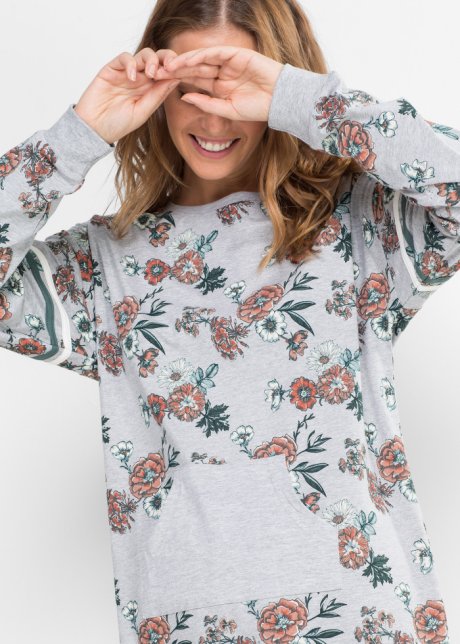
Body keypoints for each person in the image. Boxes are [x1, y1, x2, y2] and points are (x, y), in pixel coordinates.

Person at [1, 0, 458, 641]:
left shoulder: (360, 230)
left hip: (362, 621)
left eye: (236, 87)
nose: (214, 117)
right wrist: (77, 135)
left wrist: (299, 100)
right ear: (157, 92)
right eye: (191, 89)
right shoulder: (102, 267)